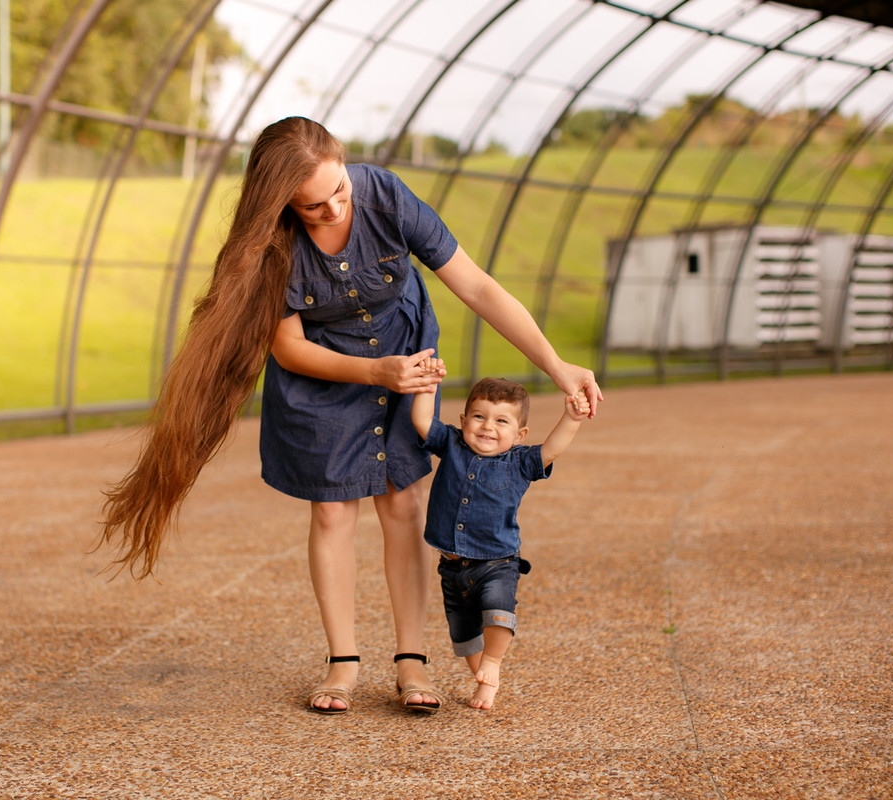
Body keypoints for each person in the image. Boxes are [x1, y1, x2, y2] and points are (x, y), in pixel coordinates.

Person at [94, 116, 601, 716]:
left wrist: (555, 365)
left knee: (402, 502)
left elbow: (478, 288)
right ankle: (343, 662)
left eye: (339, 190)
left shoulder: (386, 196)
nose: (334, 209)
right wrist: (374, 372)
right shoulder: (270, 245)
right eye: (313, 206)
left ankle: (411, 659)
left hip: (403, 353)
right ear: (282, 203)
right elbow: (288, 348)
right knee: (333, 511)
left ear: (345, 165)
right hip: (322, 374)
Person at [410, 373, 588, 709]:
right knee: (464, 635)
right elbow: (421, 421)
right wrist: (426, 386)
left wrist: (572, 418)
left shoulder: (519, 462)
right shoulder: (451, 444)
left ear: (520, 435)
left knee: (498, 612)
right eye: (479, 416)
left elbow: (552, 449)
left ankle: (493, 661)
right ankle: (484, 683)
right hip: (452, 568)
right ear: (463, 420)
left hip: (497, 562)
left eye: (501, 421)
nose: (487, 426)